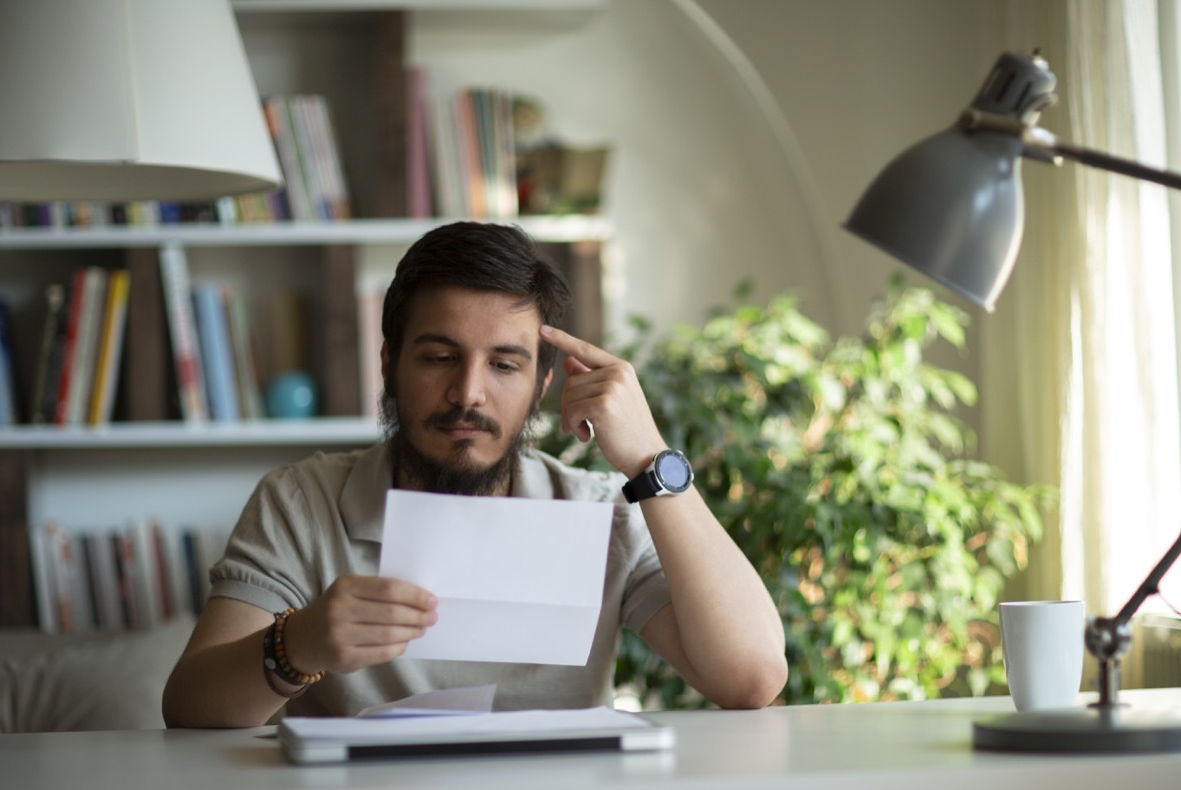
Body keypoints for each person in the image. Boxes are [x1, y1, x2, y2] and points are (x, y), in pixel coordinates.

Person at [162, 222, 787, 728]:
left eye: (505, 365)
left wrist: (651, 460)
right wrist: (297, 644)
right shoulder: (299, 502)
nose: (468, 393)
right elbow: (189, 709)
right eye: (439, 357)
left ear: (544, 382)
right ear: (389, 364)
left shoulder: (602, 513)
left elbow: (751, 677)